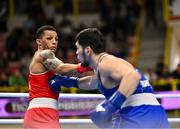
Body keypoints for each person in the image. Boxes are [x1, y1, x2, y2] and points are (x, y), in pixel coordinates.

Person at [49, 28, 170, 129]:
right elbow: (92, 82)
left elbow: (133, 76)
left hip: (140, 113)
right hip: (154, 114)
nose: (76, 53)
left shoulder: (106, 63)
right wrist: (66, 81)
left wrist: (110, 105)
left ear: (87, 50)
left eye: (77, 48)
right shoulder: (104, 67)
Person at [23, 25, 92, 129]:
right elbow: (61, 68)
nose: (54, 42)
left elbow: (67, 71)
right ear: (39, 42)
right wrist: (87, 66)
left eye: (56, 39)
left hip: (44, 113)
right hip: (40, 114)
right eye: (49, 38)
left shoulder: (44, 59)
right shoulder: (43, 54)